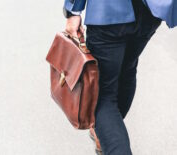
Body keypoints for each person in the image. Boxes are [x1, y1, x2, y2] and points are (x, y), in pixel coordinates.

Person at [63, 0, 162, 154]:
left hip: (108, 11)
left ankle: (109, 135)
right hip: (150, 12)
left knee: (102, 95)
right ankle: (107, 133)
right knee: (127, 69)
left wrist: (73, 11)